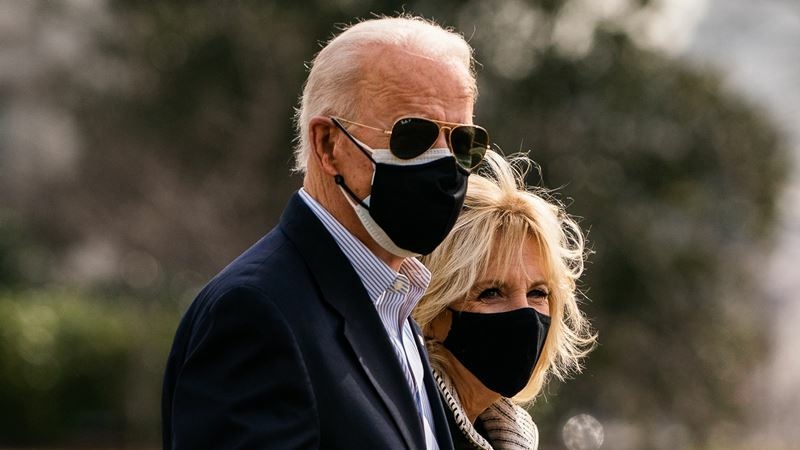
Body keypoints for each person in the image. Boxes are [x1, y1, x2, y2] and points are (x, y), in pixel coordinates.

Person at [161, 15, 492, 450]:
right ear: (327, 145)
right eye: (413, 137)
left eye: (462, 141)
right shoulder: (255, 313)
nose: (444, 164)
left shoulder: (394, 307)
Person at [412, 151, 597, 450]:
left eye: (538, 293)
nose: (524, 314)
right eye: (491, 293)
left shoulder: (513, 435)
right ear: (432, 313)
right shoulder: (409, 426)